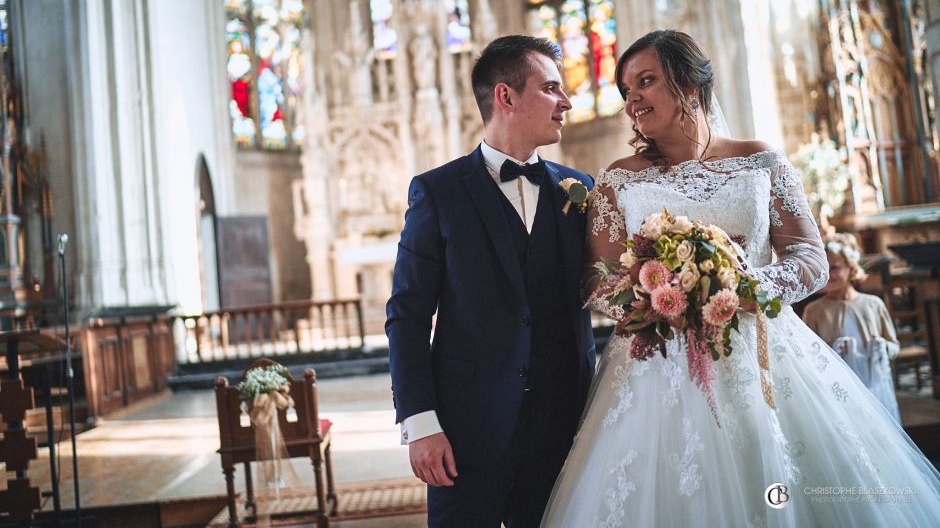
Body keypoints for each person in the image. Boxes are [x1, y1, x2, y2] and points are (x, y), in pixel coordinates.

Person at [541, 30, 940, 526]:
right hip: (657, 362)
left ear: (689, 84)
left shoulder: (760, 160)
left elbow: (808, 256)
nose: (632, 99)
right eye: (626, 90)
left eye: (646, 81)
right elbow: (599, 280)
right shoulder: (617, 179)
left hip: (761, 347)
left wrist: (745, 288)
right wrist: (668, 300)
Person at [386, 35, 596, 527]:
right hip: (464, 432)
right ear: (506, 96)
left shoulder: (581, 190)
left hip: (564, 426)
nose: (566, 102)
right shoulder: (437, 192)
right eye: (551, 88)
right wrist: (421, 424)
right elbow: (408, 315)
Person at [803, 232, 901, 420]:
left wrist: (882, 347)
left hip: (873, 385)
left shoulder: (873, 305)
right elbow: (807, 356)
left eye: (835, 268)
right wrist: (828, 350)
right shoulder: (814, 310)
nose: (828, 274)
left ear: (851, 267)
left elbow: (894, 346)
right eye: (823, 268)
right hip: (839, 390)